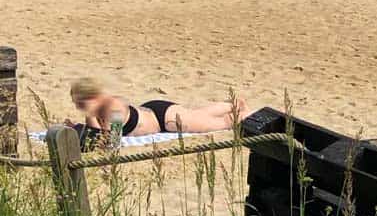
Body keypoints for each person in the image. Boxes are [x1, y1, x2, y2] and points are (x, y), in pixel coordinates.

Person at [70, 78, 253, 136]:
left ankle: (249, 114)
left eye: (80, 103)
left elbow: (111, 140)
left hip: (164, 120)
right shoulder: (97, 109)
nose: (78, 107)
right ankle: (232, 104)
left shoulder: (113, 107)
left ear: (92, 97)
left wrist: (87, 122)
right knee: (196, 115)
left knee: (222, 124)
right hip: (152, 111)